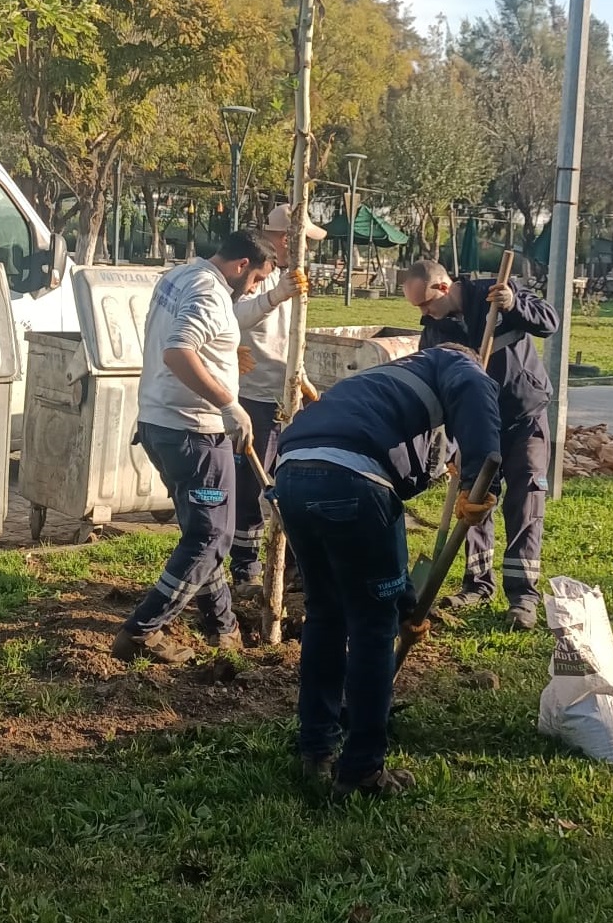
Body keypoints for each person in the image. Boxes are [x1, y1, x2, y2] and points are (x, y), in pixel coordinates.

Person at [274, 344, 501, 799]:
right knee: (371, 629)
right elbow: (475, 388)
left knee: (326, 614)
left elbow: (396, 487)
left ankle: (315, 749)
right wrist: (479, 476)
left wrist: (404, 603)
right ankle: (361, 770)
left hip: (291, 474)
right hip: (352, 477)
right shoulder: (456, 363)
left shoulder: (380, 381)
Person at [111, 229, 277, 664]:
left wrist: (222, 356)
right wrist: (228, 403)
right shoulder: (210, 293)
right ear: (242, 265)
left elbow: (194, 337)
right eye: (257, 279)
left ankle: (222, 624)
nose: (254, 289)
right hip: (194, 433)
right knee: (211, 536)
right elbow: (178, 351)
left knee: (201, 530)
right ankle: (142, 631)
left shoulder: (180, 276)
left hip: (159, 423)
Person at [402, 258, 559, 631]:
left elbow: (548, 322)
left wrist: (513, 305)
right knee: (475, 502)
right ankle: (477, 585)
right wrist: (452, 443)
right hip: (476, 428)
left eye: (426, 303)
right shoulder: (434, 332)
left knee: (525, 502)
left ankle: (522, 597)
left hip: (523, 417)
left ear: (443, 286)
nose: (424, 313)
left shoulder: (496, 291)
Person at [230, 203, 325, 594]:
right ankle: (246, 568)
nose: (309, 249)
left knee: (295, 482)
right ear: (287, 238)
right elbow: (234, 315)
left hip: (287, 397)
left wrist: (302, 379)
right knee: (251, 485)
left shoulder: (292, 278)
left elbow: (290, 336)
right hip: (255, 396)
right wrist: (275, 295)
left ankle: (295, 565)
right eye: (305, 240)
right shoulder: (258, 273)